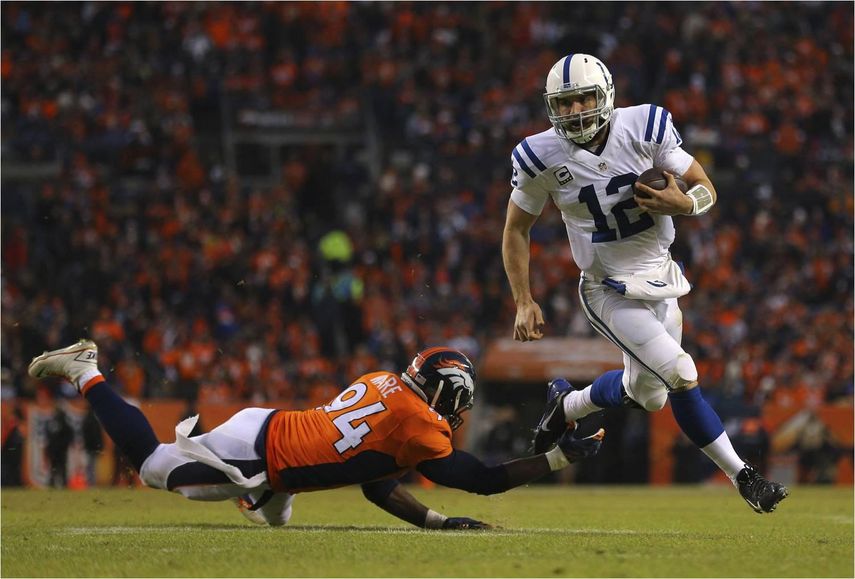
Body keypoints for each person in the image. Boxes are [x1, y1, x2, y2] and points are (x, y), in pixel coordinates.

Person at [502, 53, 788, 513]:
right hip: (607, 288)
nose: (575, 111)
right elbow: (516, 229)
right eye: (565, 102)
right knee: (681, 371)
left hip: (660, 277)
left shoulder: (644, 126)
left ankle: (567, 404)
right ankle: (745, 477)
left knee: (648, 396)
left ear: (606, 96)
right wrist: (523, 300)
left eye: (584, 99)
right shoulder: (539, 156)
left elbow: (704, 186)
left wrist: (685, 204)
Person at [29, 339, 605, 529]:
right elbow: (481, 479)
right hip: (259, 456)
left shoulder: (384, 381)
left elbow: (376, 481)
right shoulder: (418, 421)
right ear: (442, 391)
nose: (459, 408)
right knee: (154, 466)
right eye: (458, 397)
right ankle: (86, 371)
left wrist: (435, 522)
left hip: (271, 429)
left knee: (275, 521)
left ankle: (261, 498)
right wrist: (557, 458)